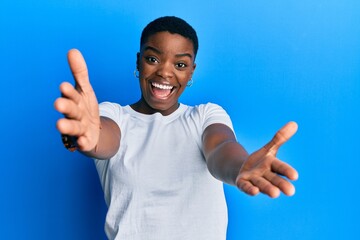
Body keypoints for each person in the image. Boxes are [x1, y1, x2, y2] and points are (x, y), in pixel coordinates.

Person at [54, 16, 298, 240]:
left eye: (180, 65)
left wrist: (241, 166)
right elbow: (104, 138)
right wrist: (90, 133)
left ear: (191, 71)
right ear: (138, 62)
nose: (165, 72)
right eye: (152, 59)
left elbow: (221, 149)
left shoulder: (205, 115)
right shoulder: (113, 116)